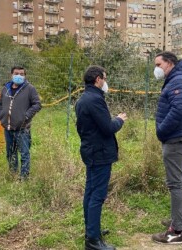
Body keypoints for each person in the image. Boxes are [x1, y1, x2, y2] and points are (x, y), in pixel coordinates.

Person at [75, 65, 127, 250]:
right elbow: (108, 127)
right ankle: (93, 241)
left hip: (90, 150)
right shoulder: (95, 100)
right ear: (97, 79)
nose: (105, 82)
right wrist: (119, 119)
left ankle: (92, 229)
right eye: (104, 78)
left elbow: (85, 126)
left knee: (90, 192)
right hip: (100, 153)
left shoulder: (83, 99)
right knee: (97, 195)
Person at [151, 52, 182, 245]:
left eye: (158, 64)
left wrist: (161, 131)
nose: (156, 68)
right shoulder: (177, 78)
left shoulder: (178, 81)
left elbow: (177, 110)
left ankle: (177, 231)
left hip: (175, 138)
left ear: (169, 63)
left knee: (175, 184)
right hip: (180, 137)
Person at [0, 66, 42, 180]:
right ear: (11, 75)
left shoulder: (30, 89)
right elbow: (0, 103)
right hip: (8, 127)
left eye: (22, 74)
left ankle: (24, 178)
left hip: (22, 128)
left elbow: (37, 104)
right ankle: (13, 174)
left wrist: (26, 116)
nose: (19, 76)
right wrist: (0, 115)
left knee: (24, 153)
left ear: (25, 76)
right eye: (16, 73)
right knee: (10, 153)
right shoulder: (5, 88)